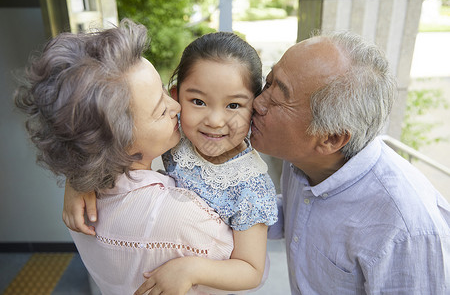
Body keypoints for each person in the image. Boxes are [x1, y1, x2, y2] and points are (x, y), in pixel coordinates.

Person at [14, 19, 234, 295]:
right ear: (121, 143)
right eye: (160, 111)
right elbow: (250, 273)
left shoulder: (81, 200)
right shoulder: (186, 219)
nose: (176, 105)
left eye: (165, 92)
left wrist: (76, 178)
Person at [64, 31, 277, 294]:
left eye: (234, 105)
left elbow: (251, 269)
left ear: (254, 106)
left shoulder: (251, 186)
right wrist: (78, 180)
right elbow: (105, 137)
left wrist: (191, 268)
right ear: (177, 96)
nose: (214, 120)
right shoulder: (178, 131)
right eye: (198, 101)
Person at [250, 30, 450, 294]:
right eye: (268, 83)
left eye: (277, 100)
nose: (256, 103)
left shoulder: (406, 232)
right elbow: (298, 215)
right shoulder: (304, 156)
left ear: (331, 138)